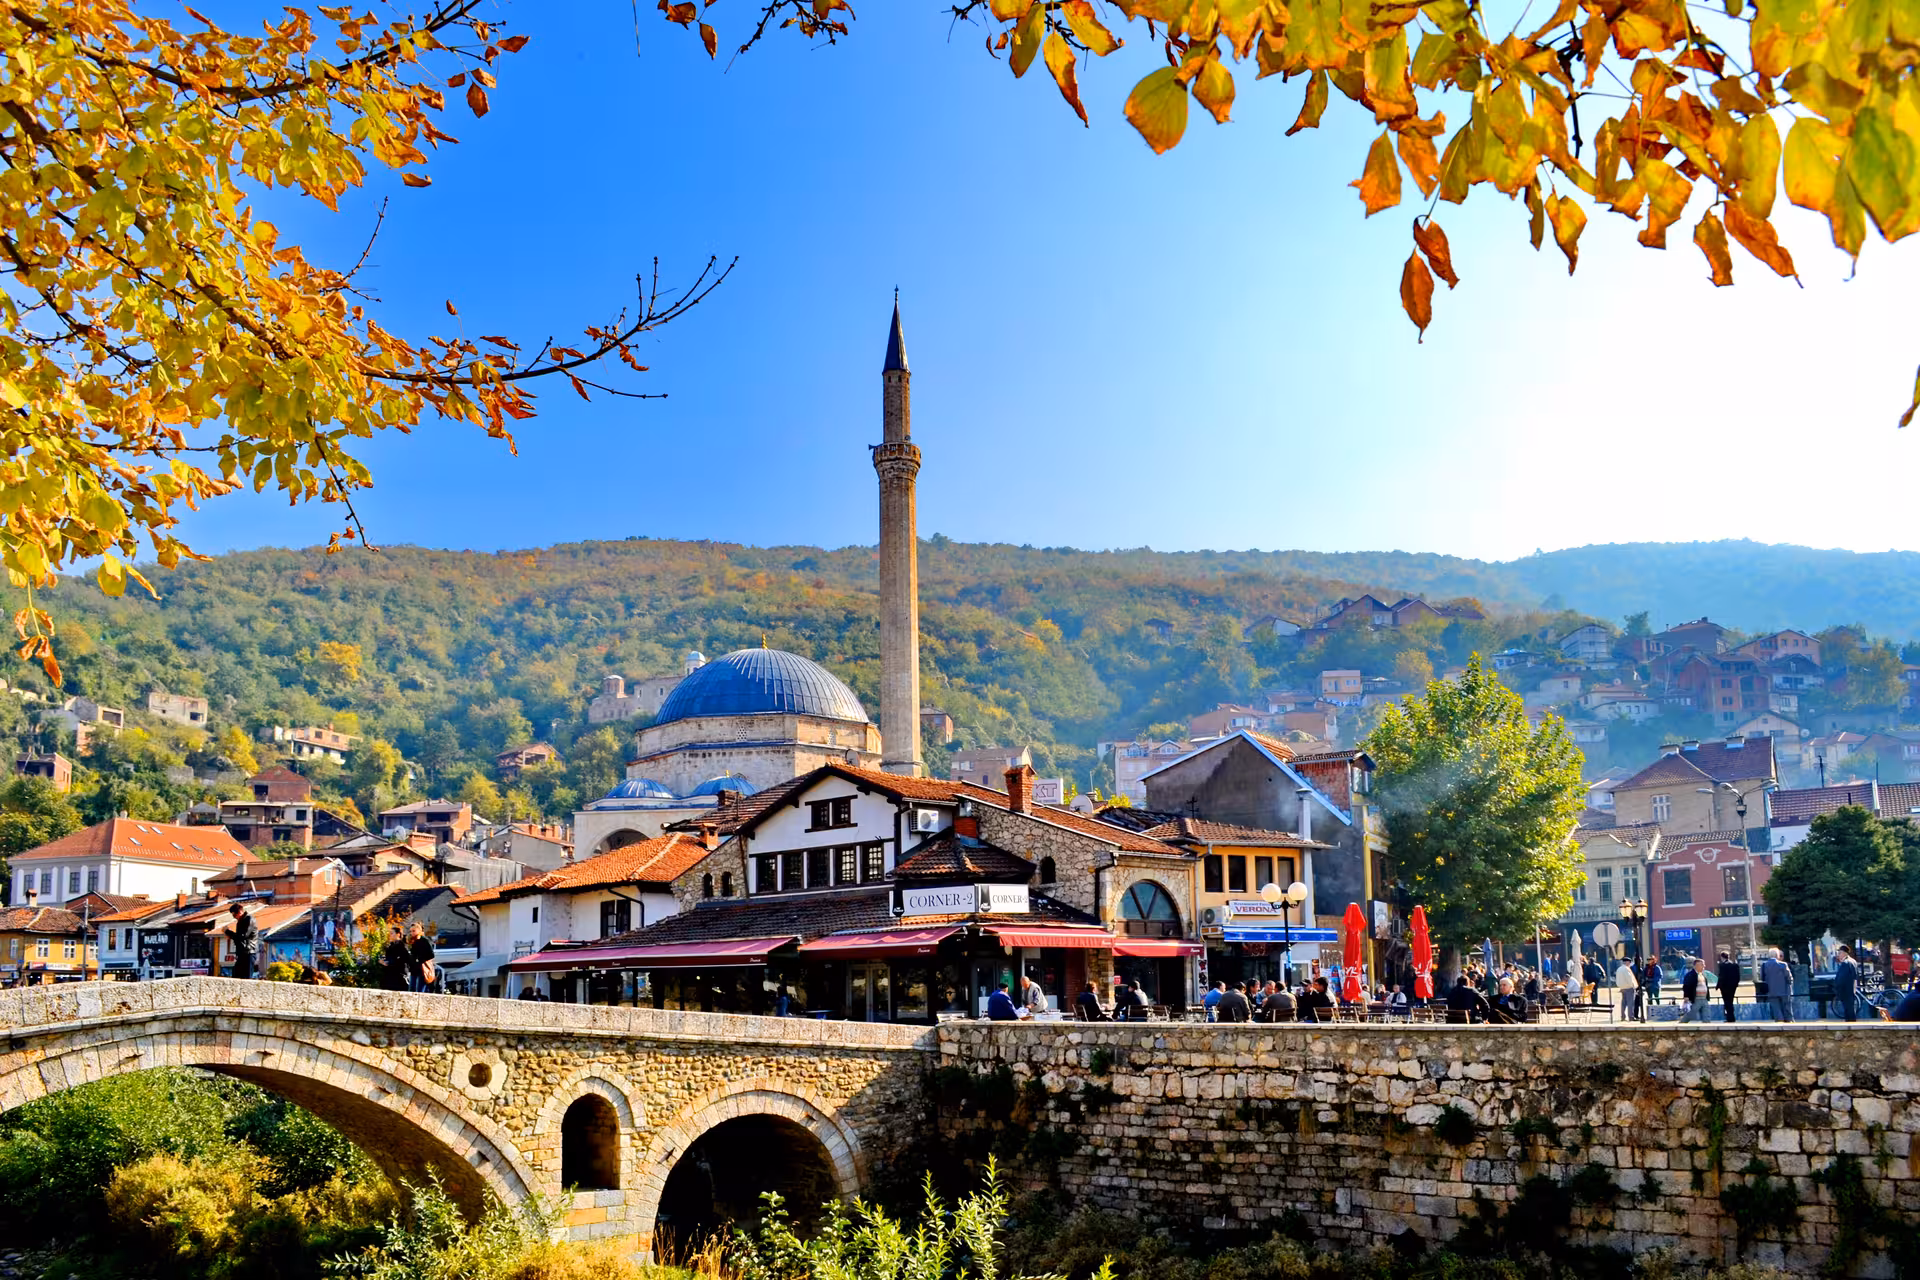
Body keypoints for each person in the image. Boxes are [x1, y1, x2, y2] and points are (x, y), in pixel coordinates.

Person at [1760, 948, 1794, 1022]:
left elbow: (1762, 977)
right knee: (1787, 1008)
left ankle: (1779, 1021)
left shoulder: (1764, 965)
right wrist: (1790, 984)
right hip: (1784, 990)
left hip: (1771, 990)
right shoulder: (1783, 965)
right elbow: (1789, 977)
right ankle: (1789, 1022)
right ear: (1777, 955)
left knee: (1776, 1008)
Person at [228, 903, 260, 980]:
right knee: (235, 977)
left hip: (248, 952)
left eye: (234, 915)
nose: (234, 918)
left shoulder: (249, 919)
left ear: (240, 912)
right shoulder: (240, 921)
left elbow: (242, 936)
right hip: (242, 953)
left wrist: (228, 932)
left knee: (246, 978)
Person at [406, 923, 437, 994]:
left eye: (414, 931)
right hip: (414, 969)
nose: (412, 933)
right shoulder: (413, 941)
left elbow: (431, 955)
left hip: (422, 970)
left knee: (419, 991)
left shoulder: (424, 941)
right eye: (411, 931)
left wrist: (420, 959)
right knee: (411, 990)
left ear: (419, 931)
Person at [1832, 945, 1860, 1022]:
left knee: (1848, 1011)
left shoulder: (1845, 963)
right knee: (1851, 1009)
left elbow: (1841, 979)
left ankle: (1850, 1027)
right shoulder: (1853, 961)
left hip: (1845, 990)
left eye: (1840, 953)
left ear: (1845, 953)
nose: (1838, 955)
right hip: (1851, 989)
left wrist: (1837, 988)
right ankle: (1852, 1026)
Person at [1717, 950, 1742, 1023]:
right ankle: (1731, 1017)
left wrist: (1718, 985)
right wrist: (1735, 984)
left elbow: (1721, 976)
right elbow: (1738, 976)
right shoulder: (1734, 965)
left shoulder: (1722, 965)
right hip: (1732, 987)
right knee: (1730, 1001)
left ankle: (1729, 1017)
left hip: (1724, 987)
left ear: (1722, 957)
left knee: (1727, 1002)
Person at [1680, 958, 1709, 1022]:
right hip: (1696, 999)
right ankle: (1682, 1023)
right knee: (1691, 1013)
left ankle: (1707, 1027)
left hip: (1704, 998)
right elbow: (1686, 986)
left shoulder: (1703, 975)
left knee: (1706, 1014)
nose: (1704, 966)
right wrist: (1686, 996)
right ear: (1696, 966)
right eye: (1702, 964)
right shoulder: (1690, 975)